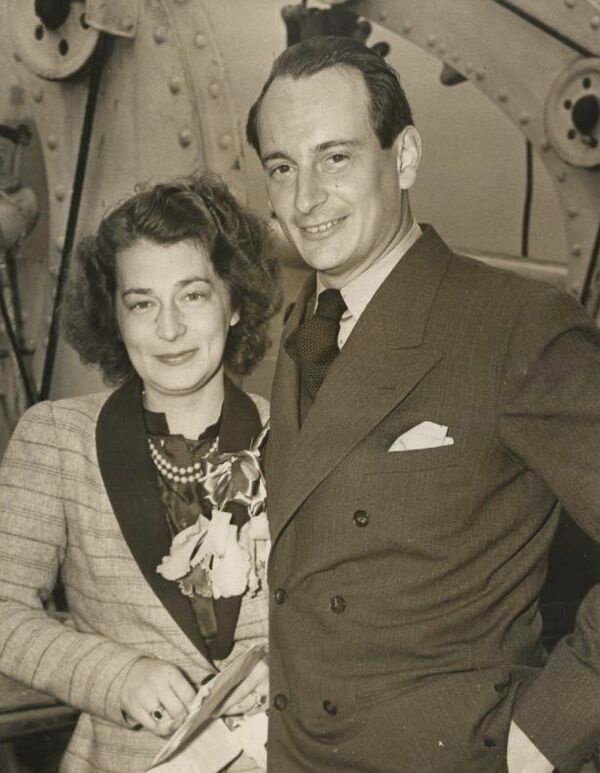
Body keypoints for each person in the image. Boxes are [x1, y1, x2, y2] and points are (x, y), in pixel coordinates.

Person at [246, 35, 600, 773]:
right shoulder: (305, 324)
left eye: (335, 158)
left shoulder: (513, 325)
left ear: (404, 157)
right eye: (282, 167)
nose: (305, 199)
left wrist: (546, 733)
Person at [0, 173, 281, 772]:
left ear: (235, 304)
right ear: (115, 317)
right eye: (142, 303)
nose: (169, 328)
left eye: (193, 296)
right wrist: (116, 675)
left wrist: (286, 664)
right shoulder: (55, 439)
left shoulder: (298, 436)